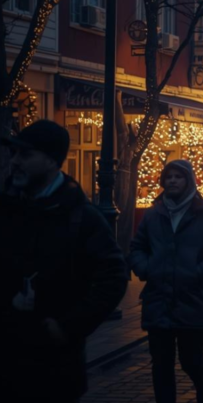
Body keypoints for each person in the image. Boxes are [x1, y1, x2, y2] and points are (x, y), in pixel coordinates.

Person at [0, 120, 128, 403]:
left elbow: (113, 277)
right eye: (14, 154)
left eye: (26, 154)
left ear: (50, 161)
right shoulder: (7, 208)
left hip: (54, 369)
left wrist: (67, 327)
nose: (15, 162)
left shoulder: (81, 217)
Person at [130, 159, 203, 403]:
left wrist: (197, 273)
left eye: (178, 176)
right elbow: (137, 248)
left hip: (192, 299)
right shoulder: (153, 214)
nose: (172, 181)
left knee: (191, 361)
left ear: (189, 181)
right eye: (168, 177)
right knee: (161, 364)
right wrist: (147, 269)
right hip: (158, 299)